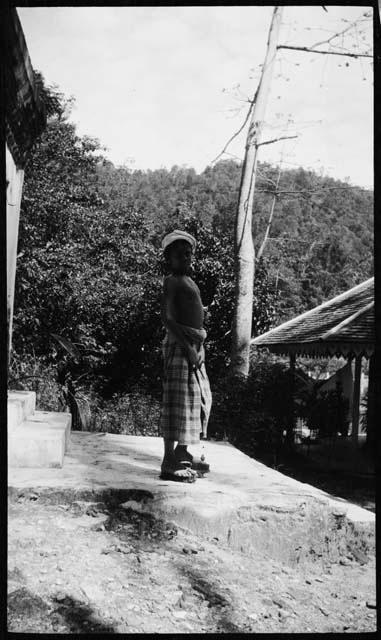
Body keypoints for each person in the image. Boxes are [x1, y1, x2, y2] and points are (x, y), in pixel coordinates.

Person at [160, 229, 212, 482]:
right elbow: (168, 319)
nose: (186, 258)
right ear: (169, 257)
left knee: (197, 401)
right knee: (177, 402)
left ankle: (182, 452)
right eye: (180, 254)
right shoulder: (172, 281)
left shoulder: (189, 282)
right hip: (182, 347)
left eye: (189, 254)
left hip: (193, 346)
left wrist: (197, 345)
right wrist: (189, 348)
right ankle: (168, 461)